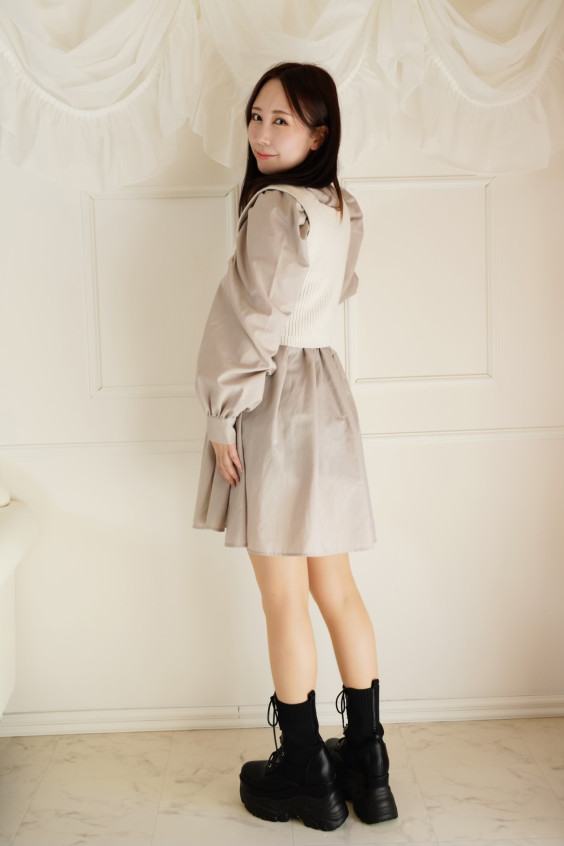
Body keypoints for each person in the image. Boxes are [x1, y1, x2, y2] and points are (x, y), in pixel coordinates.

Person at [192, 61, 398, 831]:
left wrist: (222, 415)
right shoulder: (339, 205)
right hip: (327, 397)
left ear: (319, 132)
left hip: (275, 399)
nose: (261, 132)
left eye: (281, 119)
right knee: (335, 590)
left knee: (284, 596)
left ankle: (306, 771)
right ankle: (369, 767)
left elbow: (253, 319)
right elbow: (331, 291)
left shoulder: (277, 208)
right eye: (256, 116)